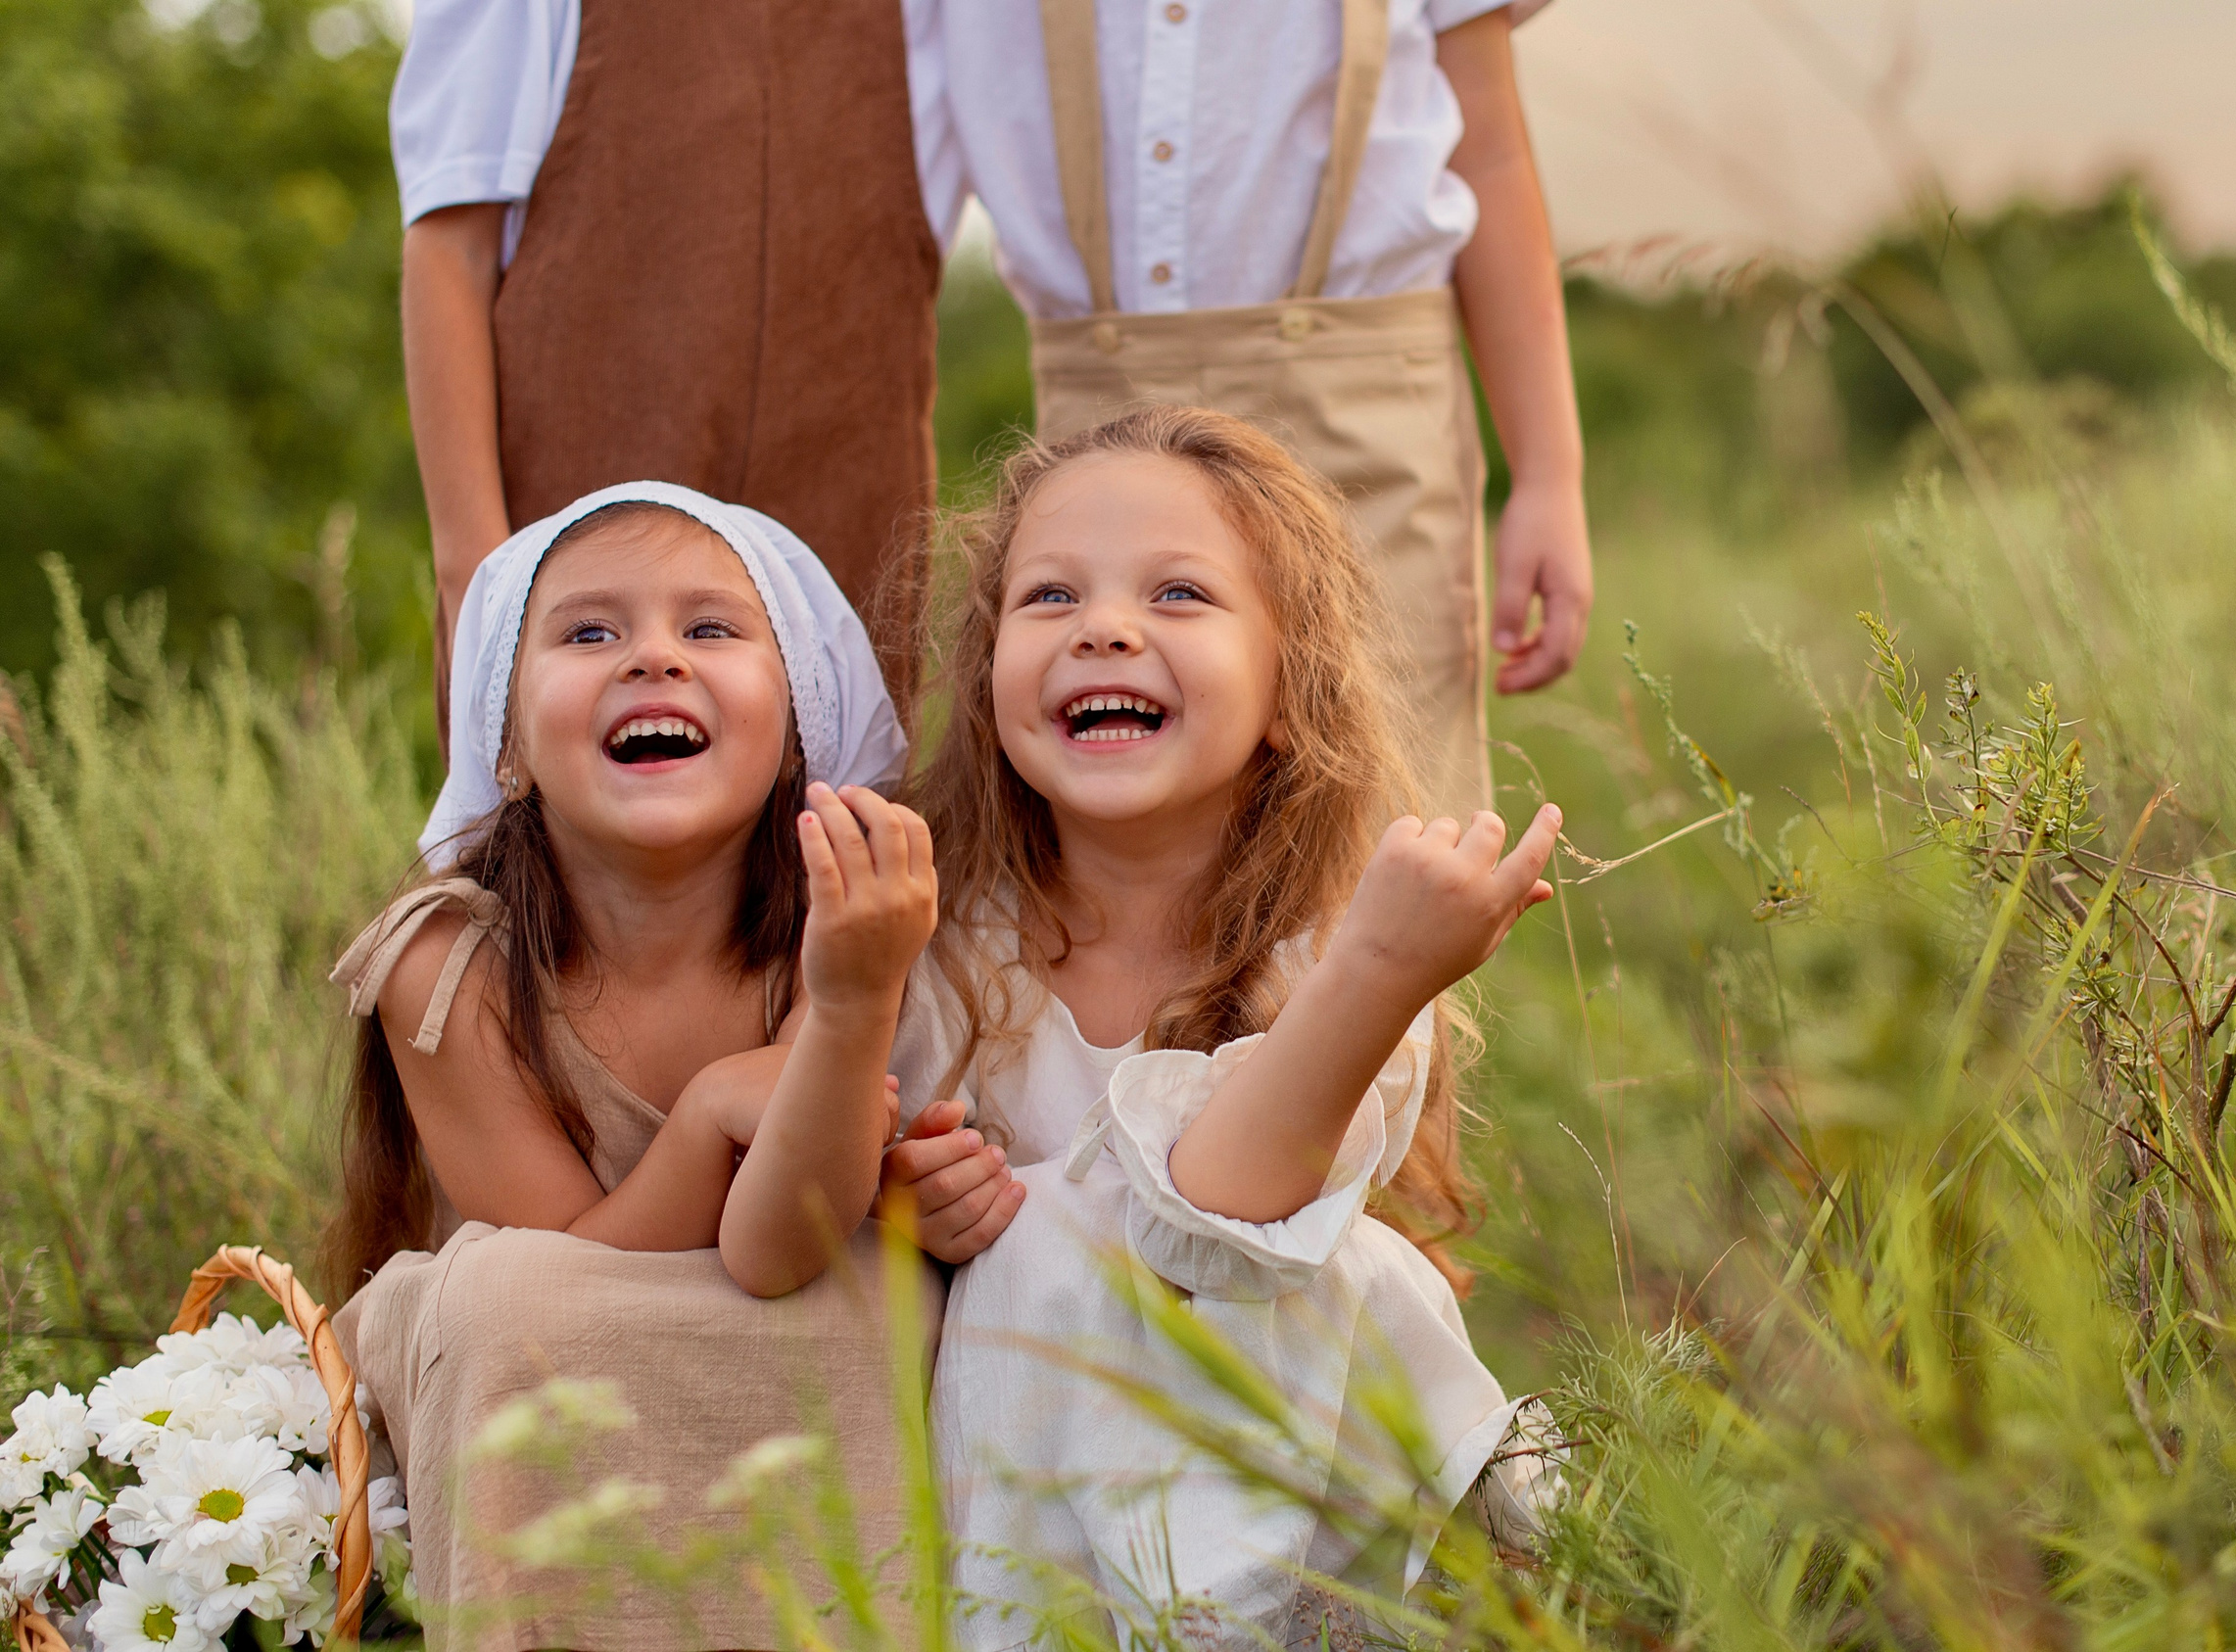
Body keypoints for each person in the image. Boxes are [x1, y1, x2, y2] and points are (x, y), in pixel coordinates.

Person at [874, 407, 1557, 1642]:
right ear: (985, 682)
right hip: (1020, 1497)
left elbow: (1219, 1218)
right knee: (1032, 1243)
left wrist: (1385, 972)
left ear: (1289, 692)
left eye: (1179, 593)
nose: (1106, 626)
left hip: (1288, 1498)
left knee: (1091, 1236)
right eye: (1049, 596)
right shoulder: (932, 943)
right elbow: (830, 1172)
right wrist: (895, 1191)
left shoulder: (1340, 951)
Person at [326, 482, 936, 1649]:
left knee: (884, 1289)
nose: (652, 657)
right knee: (508, 1293)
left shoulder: (847, 922)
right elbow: (570, 1290)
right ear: (503, 737)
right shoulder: (446, 960)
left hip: (784, 1311)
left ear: (802, 720)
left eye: (710, 629)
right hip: (538, 1365)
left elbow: (783, 1246)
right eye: (588, 632)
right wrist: (713, 1110)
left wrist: (852, 1015)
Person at [924, 0, 1593, 821]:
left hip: (1364, 416)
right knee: (1119, 835)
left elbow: (1488, 153)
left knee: (1385, 820)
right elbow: (888, 208)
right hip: (1100, 430)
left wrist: (1549, 475)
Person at [390, 0, 947, 739]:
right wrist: (482, 593)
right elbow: (449, 249)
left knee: (831, 839)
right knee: (567, 842)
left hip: (847, 529)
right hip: (576, 514)